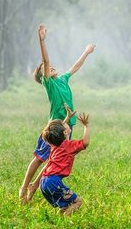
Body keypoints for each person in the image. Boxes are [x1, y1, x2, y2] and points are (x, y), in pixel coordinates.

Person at [19, 24, 95, 203]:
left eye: (51, 67)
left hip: (68, 125)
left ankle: (35, 186)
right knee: (39, 158)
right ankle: (24, 186)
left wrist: (86, 52)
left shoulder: (62, 79)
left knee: (56, 157)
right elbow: (45, 61)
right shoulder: (49, 84)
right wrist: (42, 40)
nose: (50, 67)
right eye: (46, 69)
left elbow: (75, 67)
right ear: (42, 77)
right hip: (54, 127)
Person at [39, 105, 90, 215]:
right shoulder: (69, 146)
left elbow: (58, 130)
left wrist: (67, 117)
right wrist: (86, 126)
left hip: (43, 182)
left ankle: (59, 220)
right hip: (53, 182)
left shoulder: (54, 144)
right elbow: (85, 142)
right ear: (65, 132)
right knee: (77, 202)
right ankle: (64, 223)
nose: (65, 123)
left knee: (66, 205)